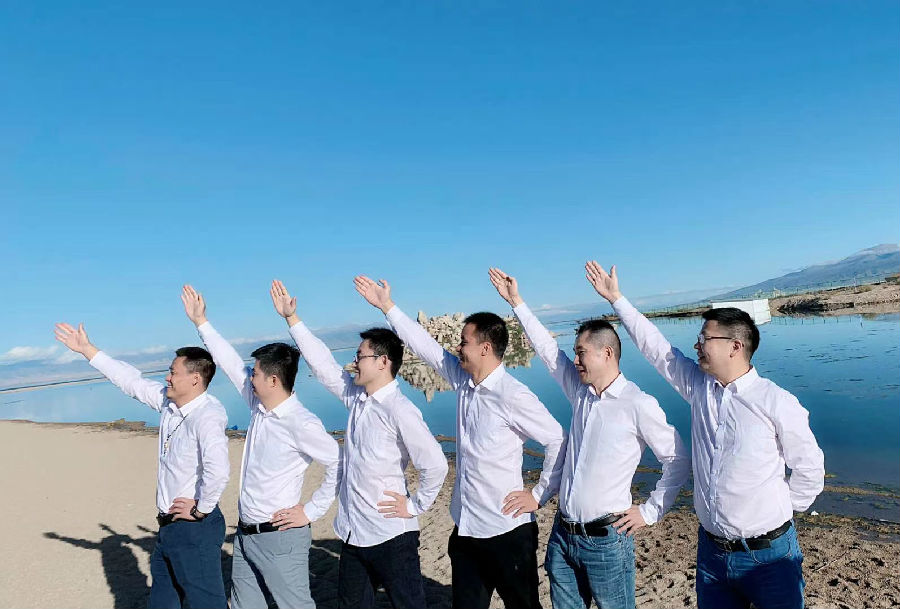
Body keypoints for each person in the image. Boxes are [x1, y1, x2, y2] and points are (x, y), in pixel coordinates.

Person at [585, 261, 825, 609]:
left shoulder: (775, 401)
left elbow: (810, 468)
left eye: (705, 338)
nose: (697, 345)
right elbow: (658, 350)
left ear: (735, 346)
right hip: (712, 554)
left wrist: (780, 509)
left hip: (770, 557)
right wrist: (617, 300)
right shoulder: (701, 389)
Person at [355, 275, 566, 609]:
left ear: (485, 348)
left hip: (508, 532)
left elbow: (556, 438)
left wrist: (539, 495)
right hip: (466, 529)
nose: (457, 347)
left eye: (464, 342)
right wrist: (387, 306)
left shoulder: (512, 395)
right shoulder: (463, 380)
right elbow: (425, 347)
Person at [489, 267, 690, 609]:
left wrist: (650, 511)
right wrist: (517, 302)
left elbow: (677, 459)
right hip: (563, 535)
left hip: (606, 542)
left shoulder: (637, 403)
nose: (575, 360)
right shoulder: (580, 393)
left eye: (581, 352)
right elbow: (548, 351)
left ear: (607, 353)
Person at [270, 279, 449, 609]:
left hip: (392, 536)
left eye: (360, 356)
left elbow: (435, 464)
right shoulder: (357, 398)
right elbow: (323, 365)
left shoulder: (400, 410)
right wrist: (292, 319)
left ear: (383, 362)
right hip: (353, 534)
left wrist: (414, 506)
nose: (354, 362)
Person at [180, 285, 340, 609]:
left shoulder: (301, 422)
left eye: (255, 373)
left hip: (280, 539)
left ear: (273, 380)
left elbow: (339, 462)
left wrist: (310, 511)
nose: (249, 378)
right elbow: (228, 362)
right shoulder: (259, 406)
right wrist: (201, 322)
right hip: (245, 536)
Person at [54, 322, 230, 609]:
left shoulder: (208, 416)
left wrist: (201, 509)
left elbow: (219, 470)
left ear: (195, 379)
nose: (167, 377)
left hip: (194, 529)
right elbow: (131, 381)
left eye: (173, 372)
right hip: (168, 529)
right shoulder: (169, 404)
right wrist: (88, 350)